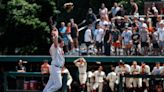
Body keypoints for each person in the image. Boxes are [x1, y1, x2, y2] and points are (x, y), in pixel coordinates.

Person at [43, 27, 65, 92]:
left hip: (55, 68)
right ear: (59, 42)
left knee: (49, 85)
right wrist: (56, 35)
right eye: (62, 42)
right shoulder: (55, 46)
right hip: (55, 68)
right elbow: (55, 44)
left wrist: (54, 36)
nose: (63, 43)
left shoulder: (59, 49)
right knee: (58, 85)